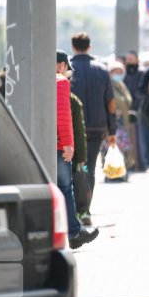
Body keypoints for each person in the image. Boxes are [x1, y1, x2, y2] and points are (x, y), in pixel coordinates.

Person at [69, 32, 116, 226]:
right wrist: (112, 130)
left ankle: (78, 209)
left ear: (73, 47)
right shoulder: (102, 69)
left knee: (75, 167)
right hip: (98, 127)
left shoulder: (68, 70)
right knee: (89, 168)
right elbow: (110, 103)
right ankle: (86, 209)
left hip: (73, 128)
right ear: (89, 47)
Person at [55, 56, 99, 249]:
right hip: (57, 145)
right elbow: (63, 116)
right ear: (62, 65)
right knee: (65, 188)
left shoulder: (32, 80)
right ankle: (73, 232)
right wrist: (68, 144)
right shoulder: (60, 82)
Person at [58, 50, 88, 219]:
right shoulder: (63, 87)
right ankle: (73, 228)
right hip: (61, 148)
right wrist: (77, 153)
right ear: (62, 66)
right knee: (65, 188)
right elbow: (71, 125)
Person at [108, 61, 135, 171]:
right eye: (115, 72)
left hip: (123, 121)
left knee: (124, 145)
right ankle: (113, 170)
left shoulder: (121, 86)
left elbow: (128, 101)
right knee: (116, 145)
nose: (118, 75)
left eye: (120, 72)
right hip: (113, 122)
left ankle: (123, 168)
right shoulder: (108, 86)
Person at [123, 51, 147, 171]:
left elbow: (141, 92)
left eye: (131, 59)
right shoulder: (124, 74)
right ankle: (129, 162)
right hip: (125, 110)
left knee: (139, 138)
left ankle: (140, 163)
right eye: (128, 59)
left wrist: (135, 107)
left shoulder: (141, 73)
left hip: (138, 110)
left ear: (137, 60)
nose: (129, 61)